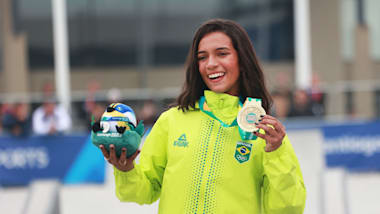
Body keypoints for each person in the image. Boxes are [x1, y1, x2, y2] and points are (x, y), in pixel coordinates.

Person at [99, 19, 306, 213]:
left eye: (222, 54)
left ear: (242, 60)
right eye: (202, 57)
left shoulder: (265, 132)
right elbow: (142, 192)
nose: (210, 64)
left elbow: (288, 208)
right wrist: (126, 170)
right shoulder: (172, 121)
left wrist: (276, 154)